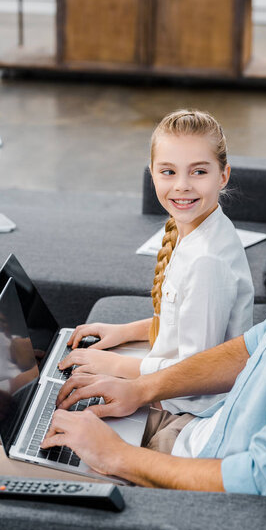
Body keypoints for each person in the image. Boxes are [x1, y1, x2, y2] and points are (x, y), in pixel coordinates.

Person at [42, 79, 266, 498]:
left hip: (192, 472)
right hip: (199, 431)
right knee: (36, 404)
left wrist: (114, 455)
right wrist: (139, 389)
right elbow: (253, 345)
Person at [59, 109, 254, 414]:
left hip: (184, 409)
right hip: (169, 388)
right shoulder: (189, 227)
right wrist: (124, 332)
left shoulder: (207, 262)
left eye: (199, 171)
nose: (182, 185)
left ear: (223, 175)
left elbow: (194, 372)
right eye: (168, 172)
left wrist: (113, 364)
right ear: (152, 173)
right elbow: (184, 320)